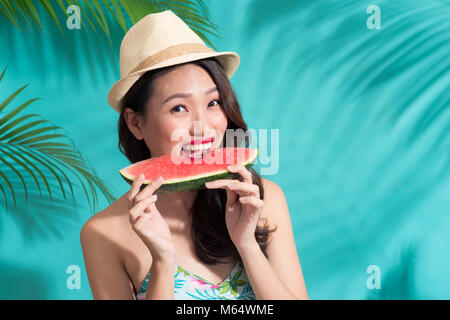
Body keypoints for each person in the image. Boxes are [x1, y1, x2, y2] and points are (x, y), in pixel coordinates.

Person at [80, 10, 308, 300]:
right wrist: (162, 260)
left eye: (213, 102)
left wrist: (247, 245)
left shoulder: (264, 199)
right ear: (136, 122)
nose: (204, 128)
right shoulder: (103, 234)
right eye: (179, 108)